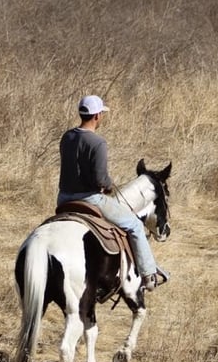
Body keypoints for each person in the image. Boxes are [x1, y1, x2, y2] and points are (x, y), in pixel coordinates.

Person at [57, 95, 164, 291]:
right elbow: (100, 179)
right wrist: (107, 185)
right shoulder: (98, 143)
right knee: (135, 225)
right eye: (101, 114)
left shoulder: (67, 137)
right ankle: (149, 275)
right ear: (97, 116)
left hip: (63, 198)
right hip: (90, 199)